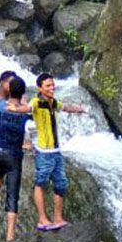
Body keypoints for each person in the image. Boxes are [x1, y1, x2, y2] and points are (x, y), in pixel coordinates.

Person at [31, 72, 86, 231]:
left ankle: (58, 218)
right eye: (48, 85)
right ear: (40, 88)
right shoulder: (36, 102)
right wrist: (16, 107)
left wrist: (78, 109)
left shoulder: (53, 102)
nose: (52, 88)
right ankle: (42, 219)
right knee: (40, 183)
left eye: (52, 84)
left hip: (56, 151)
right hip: (44, 152)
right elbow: (27, 108)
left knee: (61, 183)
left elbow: (64, 107)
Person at [0, 75, 32, 242]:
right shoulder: (25, 113)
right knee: (12, 194)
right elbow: (31, 115)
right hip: (13, 155)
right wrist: (24, 103)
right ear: (23, 92)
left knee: (0, 170)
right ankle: (10, 235)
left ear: (9, 90)